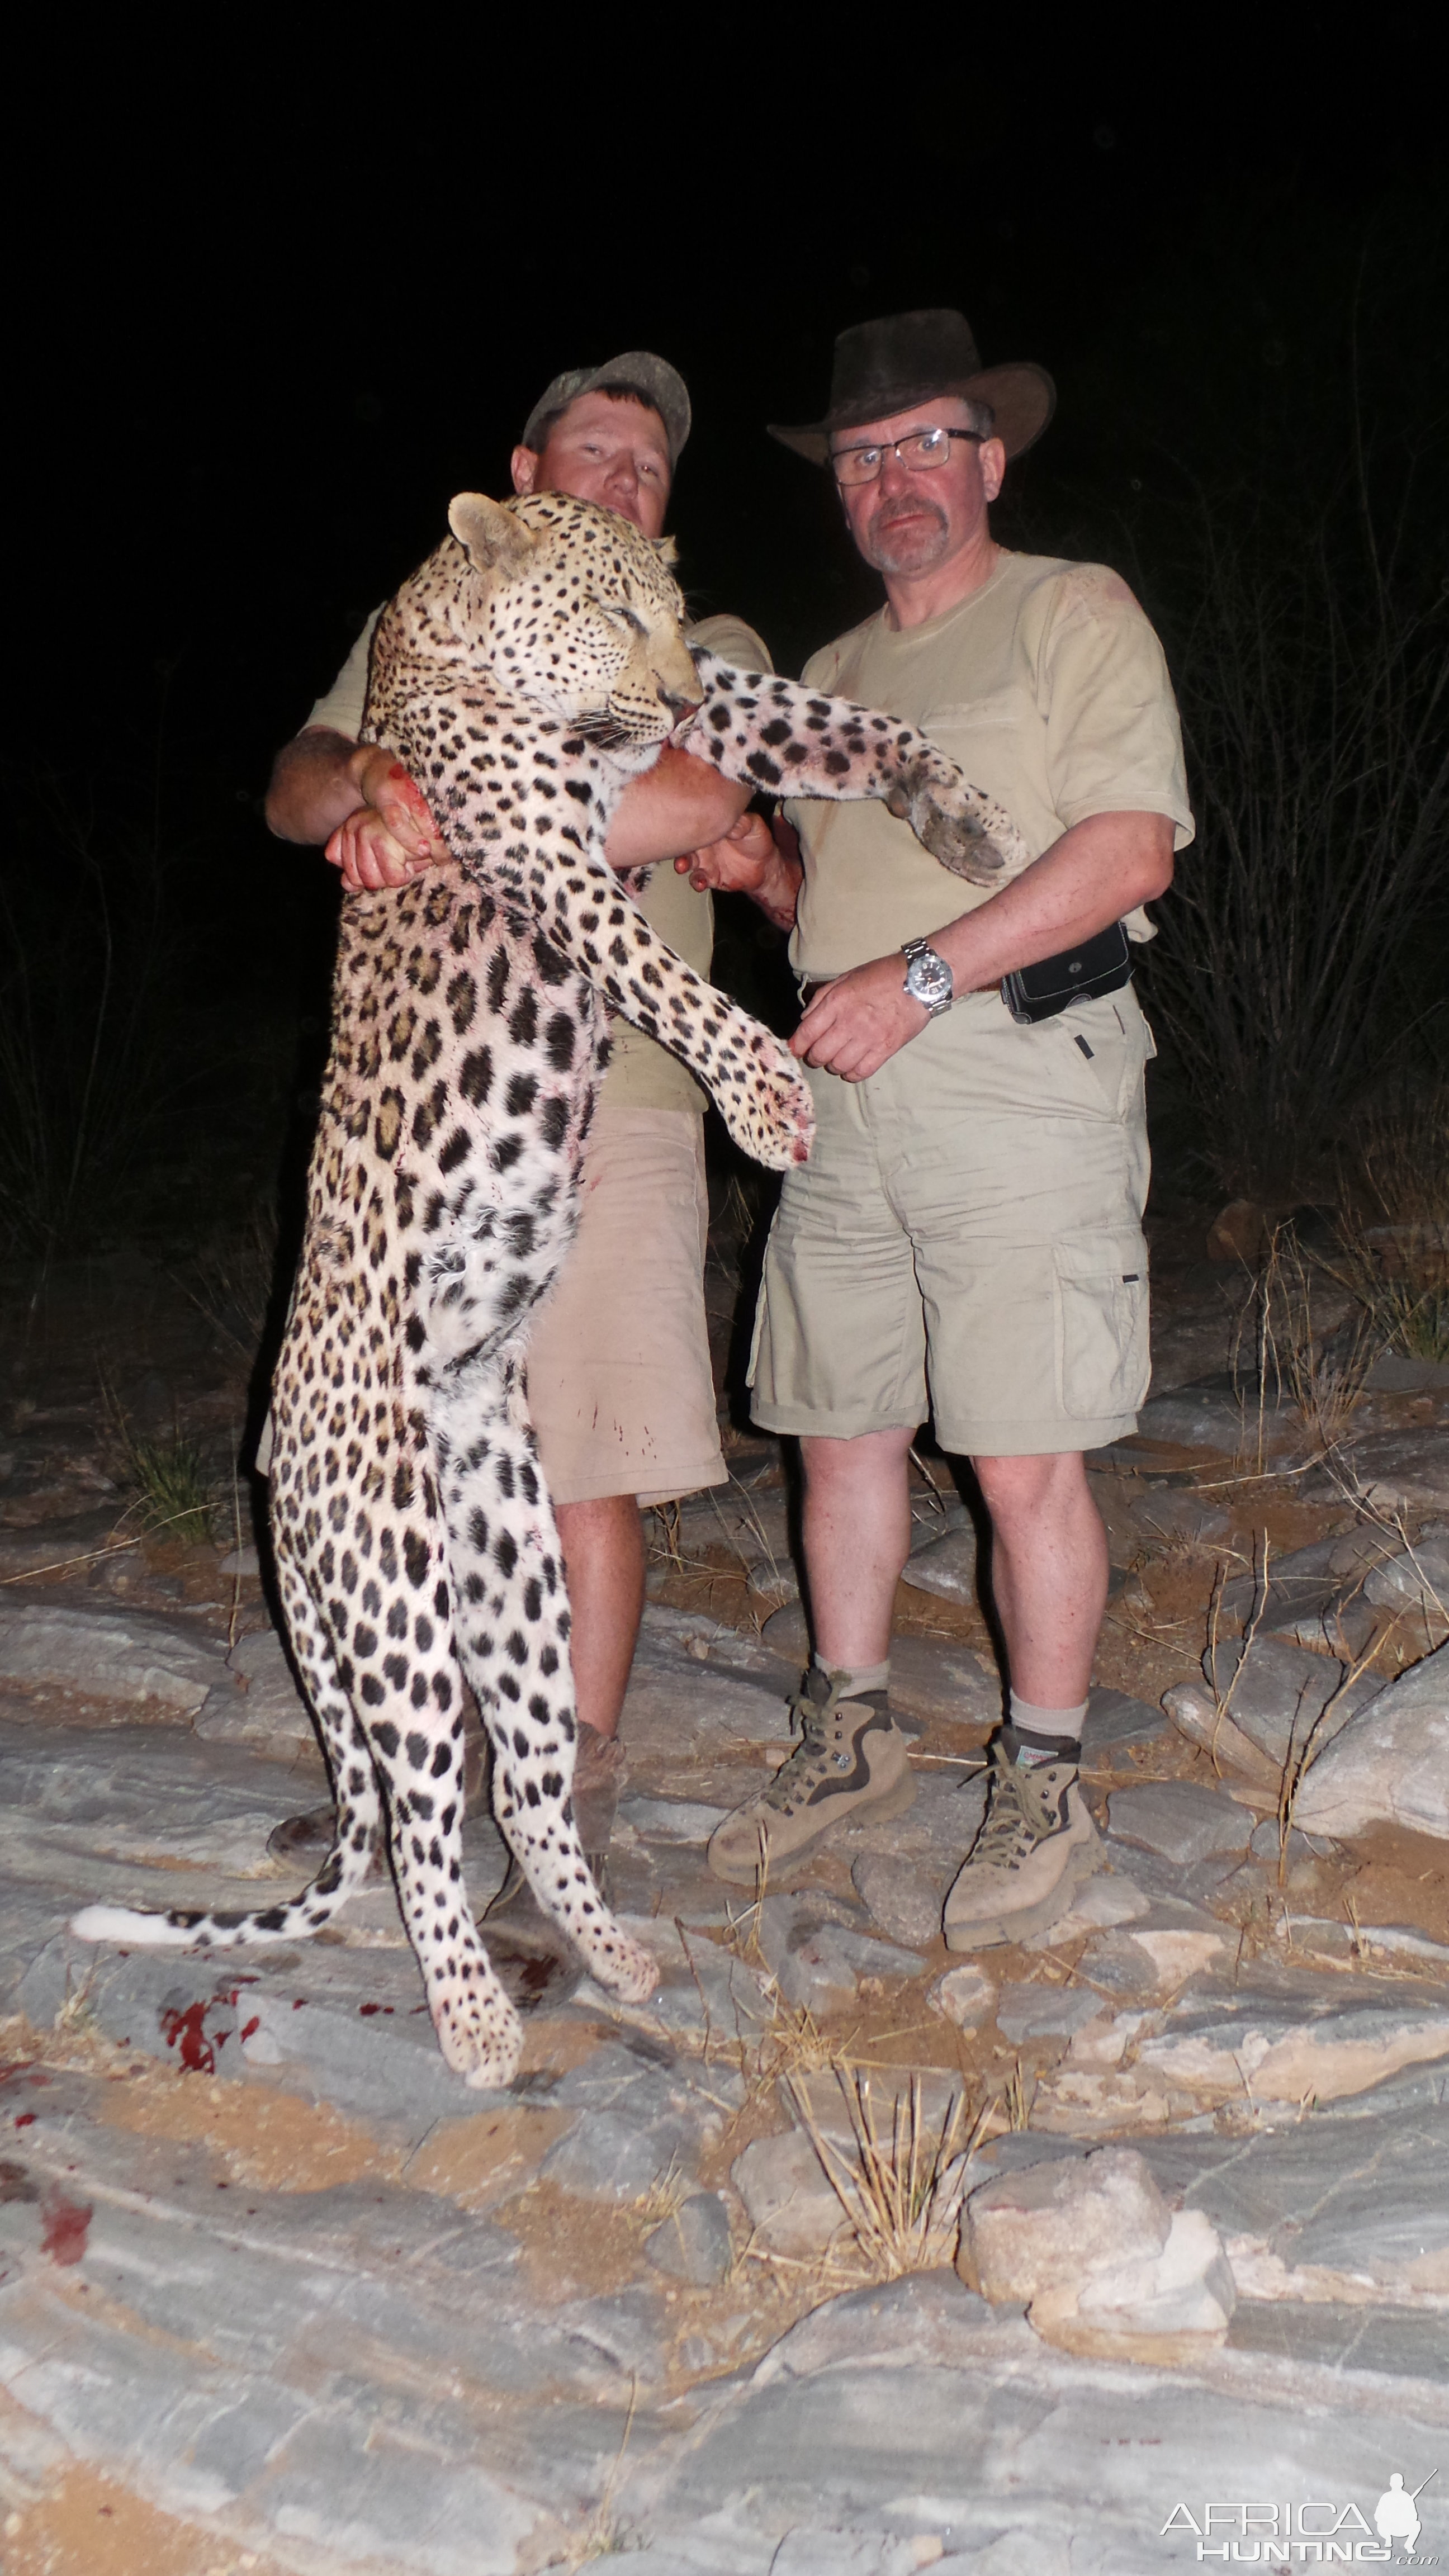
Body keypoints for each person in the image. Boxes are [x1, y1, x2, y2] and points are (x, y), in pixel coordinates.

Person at [702, 310, 1193, 1949]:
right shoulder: (824, 683)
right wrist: (765, 876)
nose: (894, 477)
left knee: (1016, 1450)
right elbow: (821, 910)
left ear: (991, 460)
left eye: (927, 444)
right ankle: (851, 1730)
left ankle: (1044, 1770)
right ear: (838, 493)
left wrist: (917, 976)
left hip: (1011, 1071)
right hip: (847, 1091)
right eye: (861, 457)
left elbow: (1131, 852)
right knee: (836, 1424)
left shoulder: (1072, 612)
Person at [264, 351, 776, 1921]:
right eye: (597, 452)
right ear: (524, 475)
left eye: (651, 466)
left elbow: (692, 801)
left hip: (608, 1090)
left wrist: (450, 809)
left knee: (582, 1463)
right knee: (409, 1449)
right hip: (422, 1112)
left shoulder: (700, 635)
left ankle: (574, 1793)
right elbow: (290, 789)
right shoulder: (426, 618)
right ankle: (404, 1777)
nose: (625, 480)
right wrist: (365, 779)